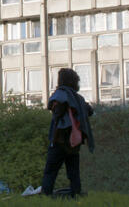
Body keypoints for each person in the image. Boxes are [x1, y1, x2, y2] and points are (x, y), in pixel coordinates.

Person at [41, 68, 95, 197]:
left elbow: (56, 111)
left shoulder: (59, 94)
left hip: (59, 139)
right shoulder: (79, 98)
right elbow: (90, 111)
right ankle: (75, 194)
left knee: (50, 171)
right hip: (74, 141)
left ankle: (46, 196)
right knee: (73, 171)